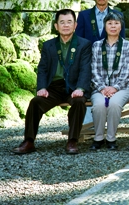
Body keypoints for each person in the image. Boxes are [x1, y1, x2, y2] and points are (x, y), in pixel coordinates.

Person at [12, 9, 92, 155]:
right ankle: (29, 141)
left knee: (79, 101)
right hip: (54, 87)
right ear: (56, 26)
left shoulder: (84, 45)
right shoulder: (49, 45)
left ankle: (72, 140)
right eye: (62, 22)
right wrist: (42, 87)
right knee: (35, 102)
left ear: (75, 25)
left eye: (69, 22)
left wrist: (81, 87)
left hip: (74, 86)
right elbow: (42, 68)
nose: (66, 25)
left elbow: (86, 69)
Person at [89, 9, 129, 150]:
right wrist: (102, 88)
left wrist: (115, 88)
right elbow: (94, 71)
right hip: (99, 87)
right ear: (105, 26)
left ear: (121, 26)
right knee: (99, 105)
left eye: (116, 23)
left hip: (122, 87)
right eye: (109, 23)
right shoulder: (97, 46)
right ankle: (98, 137)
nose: (113, 26)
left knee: (114, 104)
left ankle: (111, 138)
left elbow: (127, 71)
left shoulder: (127, 45)